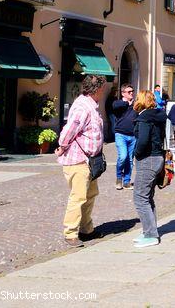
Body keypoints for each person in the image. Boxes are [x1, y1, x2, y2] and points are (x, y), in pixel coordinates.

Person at [55, 75, 106, 247]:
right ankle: (70, 233)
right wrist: (62, 146)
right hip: (79, 160)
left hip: (90, 160)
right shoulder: (83, 107)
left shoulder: (91, 106)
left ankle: (86, 229)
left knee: (90, 195)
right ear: (97, 89)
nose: (103, 91)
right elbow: (69, 130)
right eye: (102, 88)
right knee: (78, 197)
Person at [132, 90, 166, 248]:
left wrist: (136, 153)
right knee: (148, 198)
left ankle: (151, 235)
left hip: (147, 159)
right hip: (158, 157)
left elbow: (143, 141)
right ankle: (150, 230)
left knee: (140, 198)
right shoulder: (158, 115)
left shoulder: (144, 117)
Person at [111, 84, 136, 190]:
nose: (131, 93)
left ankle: (126, 181)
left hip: (133, 136)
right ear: (123, 93)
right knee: (123, 157)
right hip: (121, 135)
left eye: (132, 91)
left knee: (130, 160)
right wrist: (127, 102)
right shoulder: (119, 104)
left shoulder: (136, 105)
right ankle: (118, 178)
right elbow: (115, 106)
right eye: (129, 92)